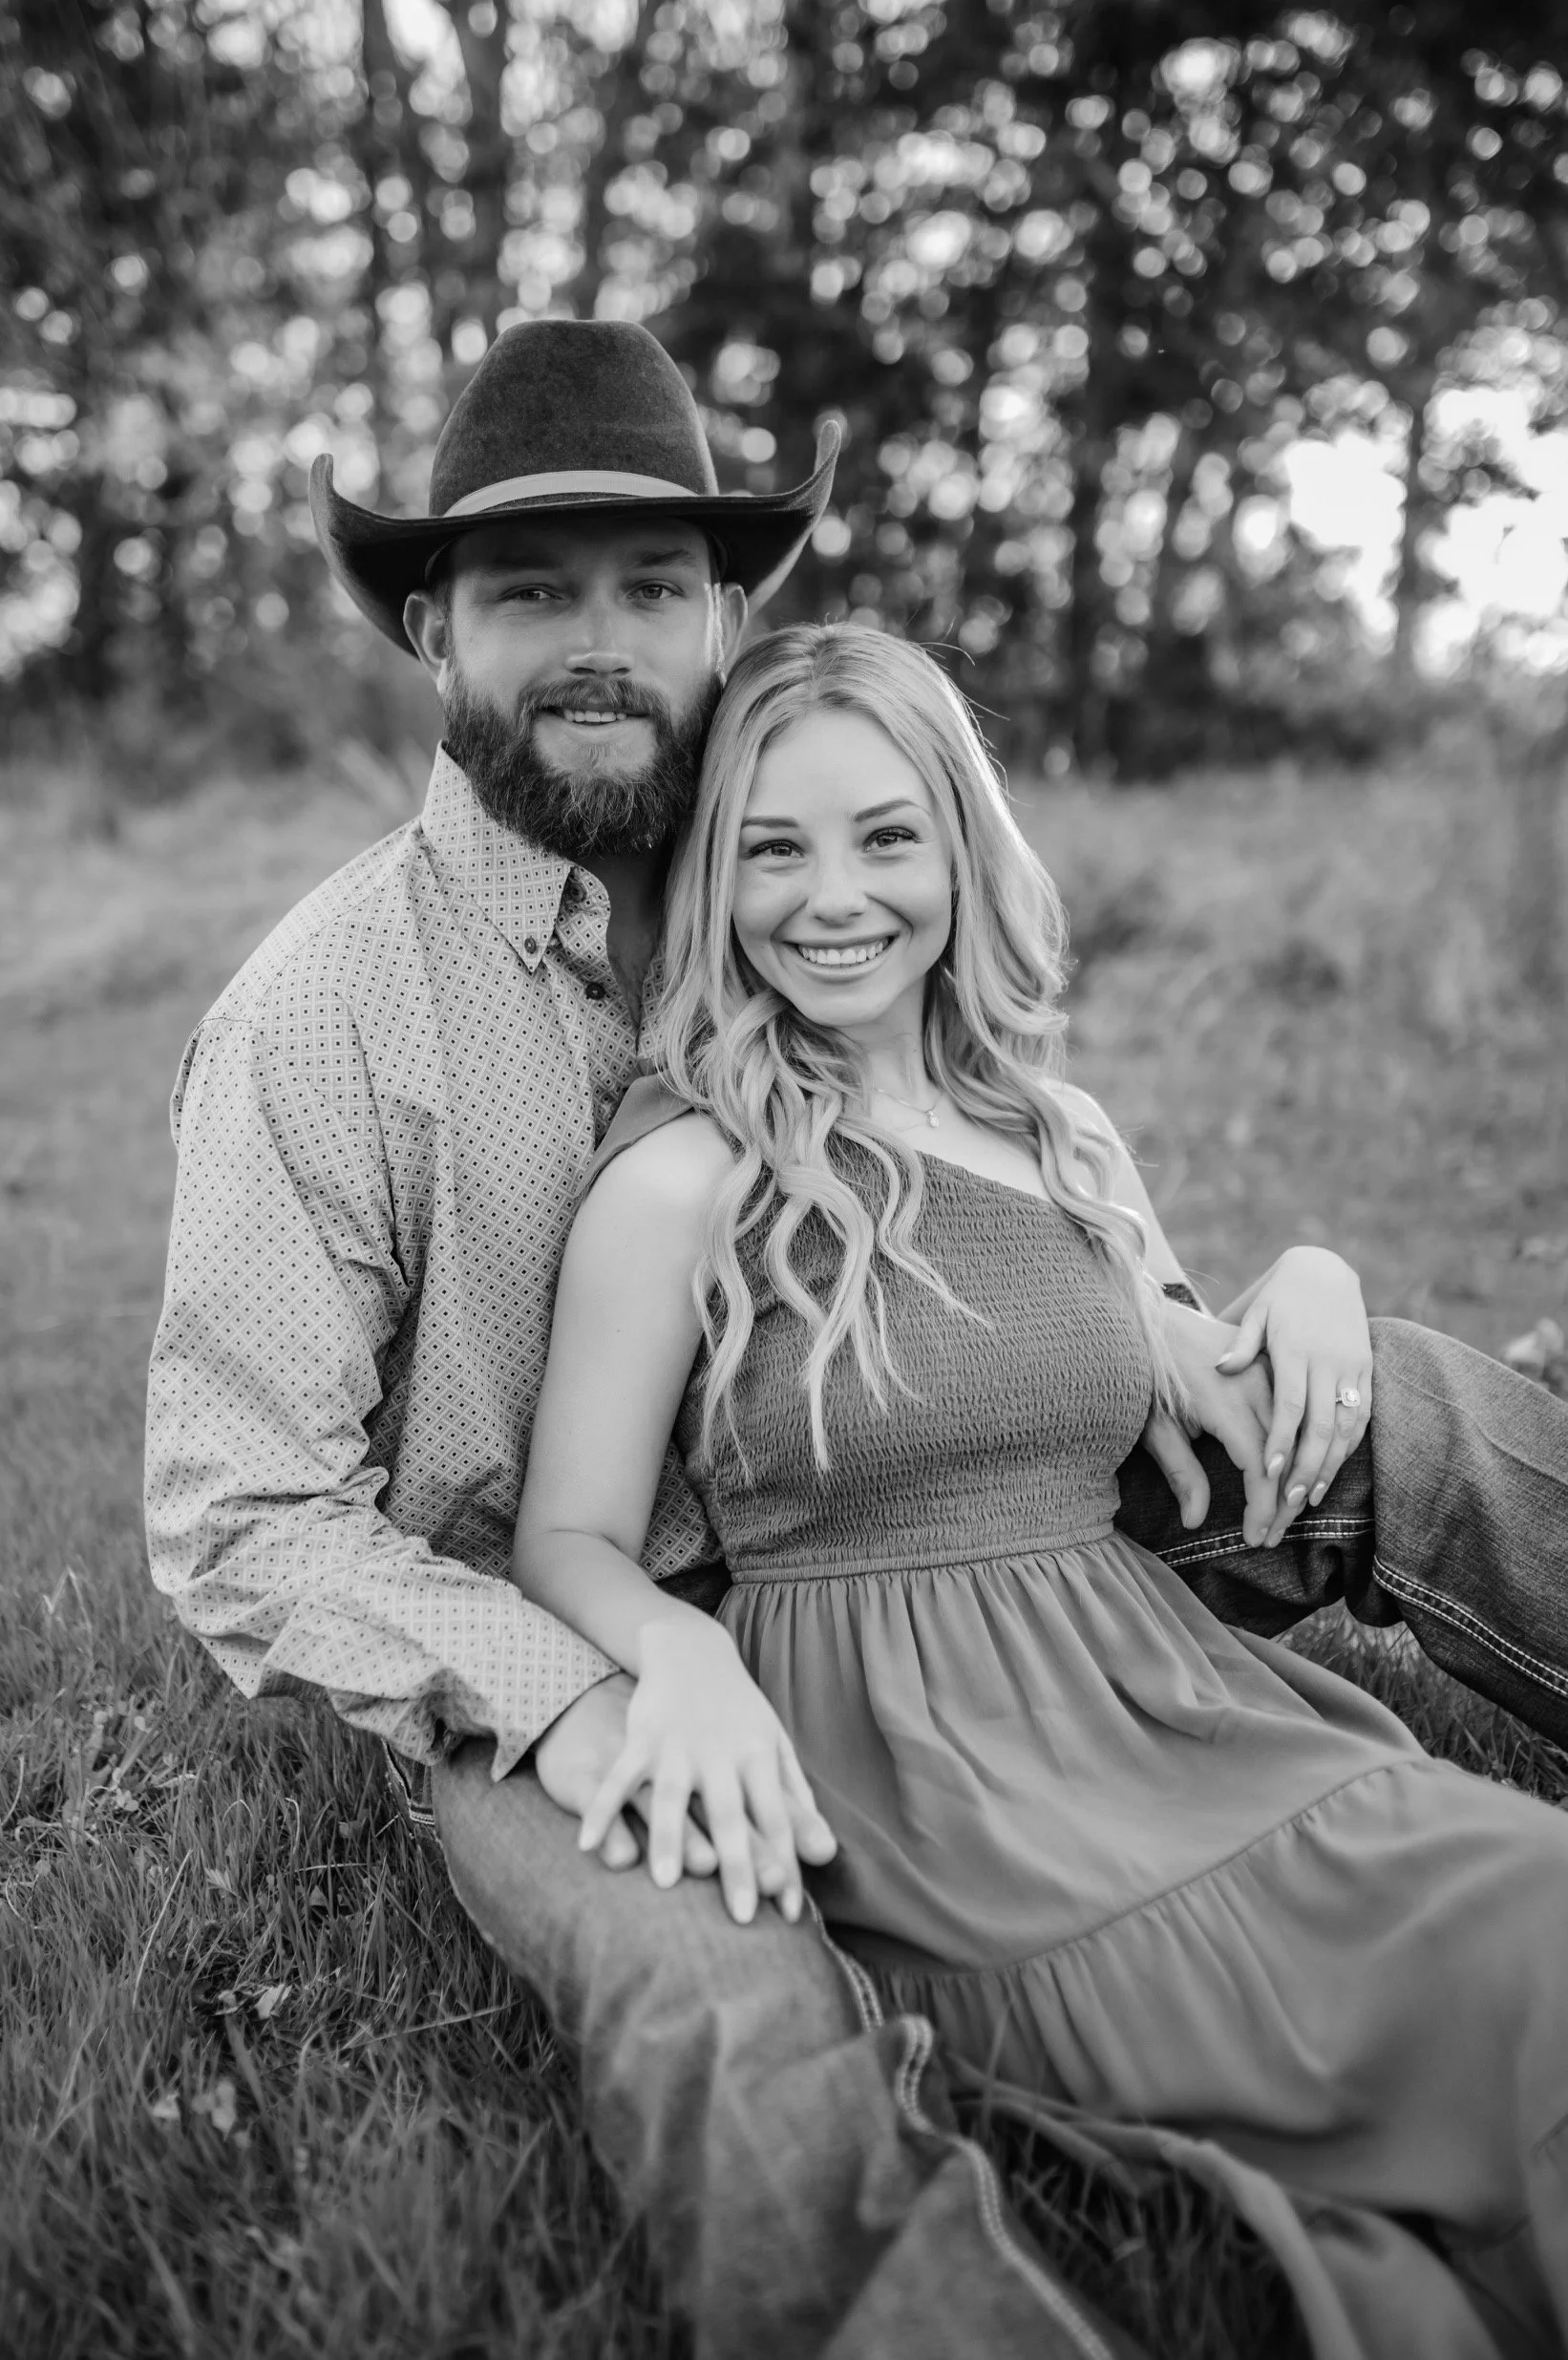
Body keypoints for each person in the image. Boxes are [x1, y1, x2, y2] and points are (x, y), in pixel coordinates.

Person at [146, 318, 1568, 2360]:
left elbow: (991, 1216)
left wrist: (1219, 1309)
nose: (598, 641)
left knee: (1382, 1406)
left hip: (930, 1526)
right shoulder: (328, 1010)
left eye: (651, 586)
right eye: (532, 591)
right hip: (566, 1624)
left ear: (725, 614)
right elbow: (243, 1509)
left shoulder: (794, 887)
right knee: (717, 1986)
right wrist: (585, 1690)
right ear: (429, 632)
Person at [512, 621, 1568, 2360]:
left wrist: (1305, 1274)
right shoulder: (686, 1171)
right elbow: (567, 1533)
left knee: (1533, 1890)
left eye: (882, 836)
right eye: (771, 847)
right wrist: (678, 1658)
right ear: (714, 880)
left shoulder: (1053, 1131)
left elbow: (1171, 1359)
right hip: (946, 1801)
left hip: (1173, 1710)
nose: (830, 896)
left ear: (957, 848)